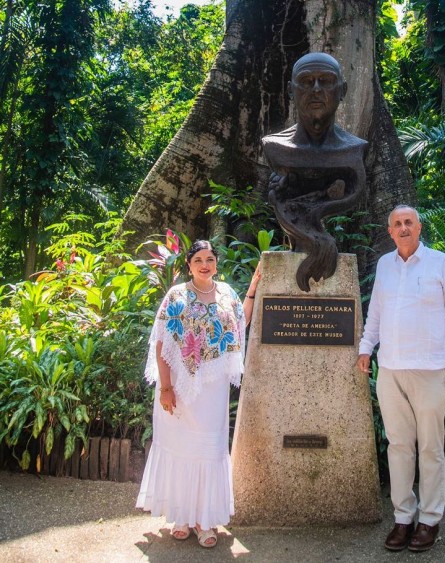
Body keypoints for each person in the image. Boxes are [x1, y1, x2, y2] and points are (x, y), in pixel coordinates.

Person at [357, 205, 445, 553]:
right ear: (390, 232)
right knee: (399, 446)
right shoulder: (384, 266)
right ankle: (403, 517)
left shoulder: (440, 263)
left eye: (409, 222)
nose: (403, 228)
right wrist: (366, 347)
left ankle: (430, 520)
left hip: (432, 371)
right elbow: (375, 311)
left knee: (431, 449)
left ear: (419, 228)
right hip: (390, 371)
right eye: (397, 224)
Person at [136, 240, 261, 548]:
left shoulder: (227, 294)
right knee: (180, 448)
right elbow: (162, 344)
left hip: (212, 387)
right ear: (189, 265)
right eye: (199, 260)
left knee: (209, 449)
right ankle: (181, 515)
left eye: (210, 259)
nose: (205, 264)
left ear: (216, 263)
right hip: (178, 386)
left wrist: (254, 287)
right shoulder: (176, 296)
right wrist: (165, 388)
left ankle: (206, 521)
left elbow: (239, 324)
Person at [262, 52, 367, 291]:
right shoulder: (275, 147)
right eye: (307, 81)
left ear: (343, 90)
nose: (316, 89)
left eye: (326, 81)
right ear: (291, 90)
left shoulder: (355, 150)